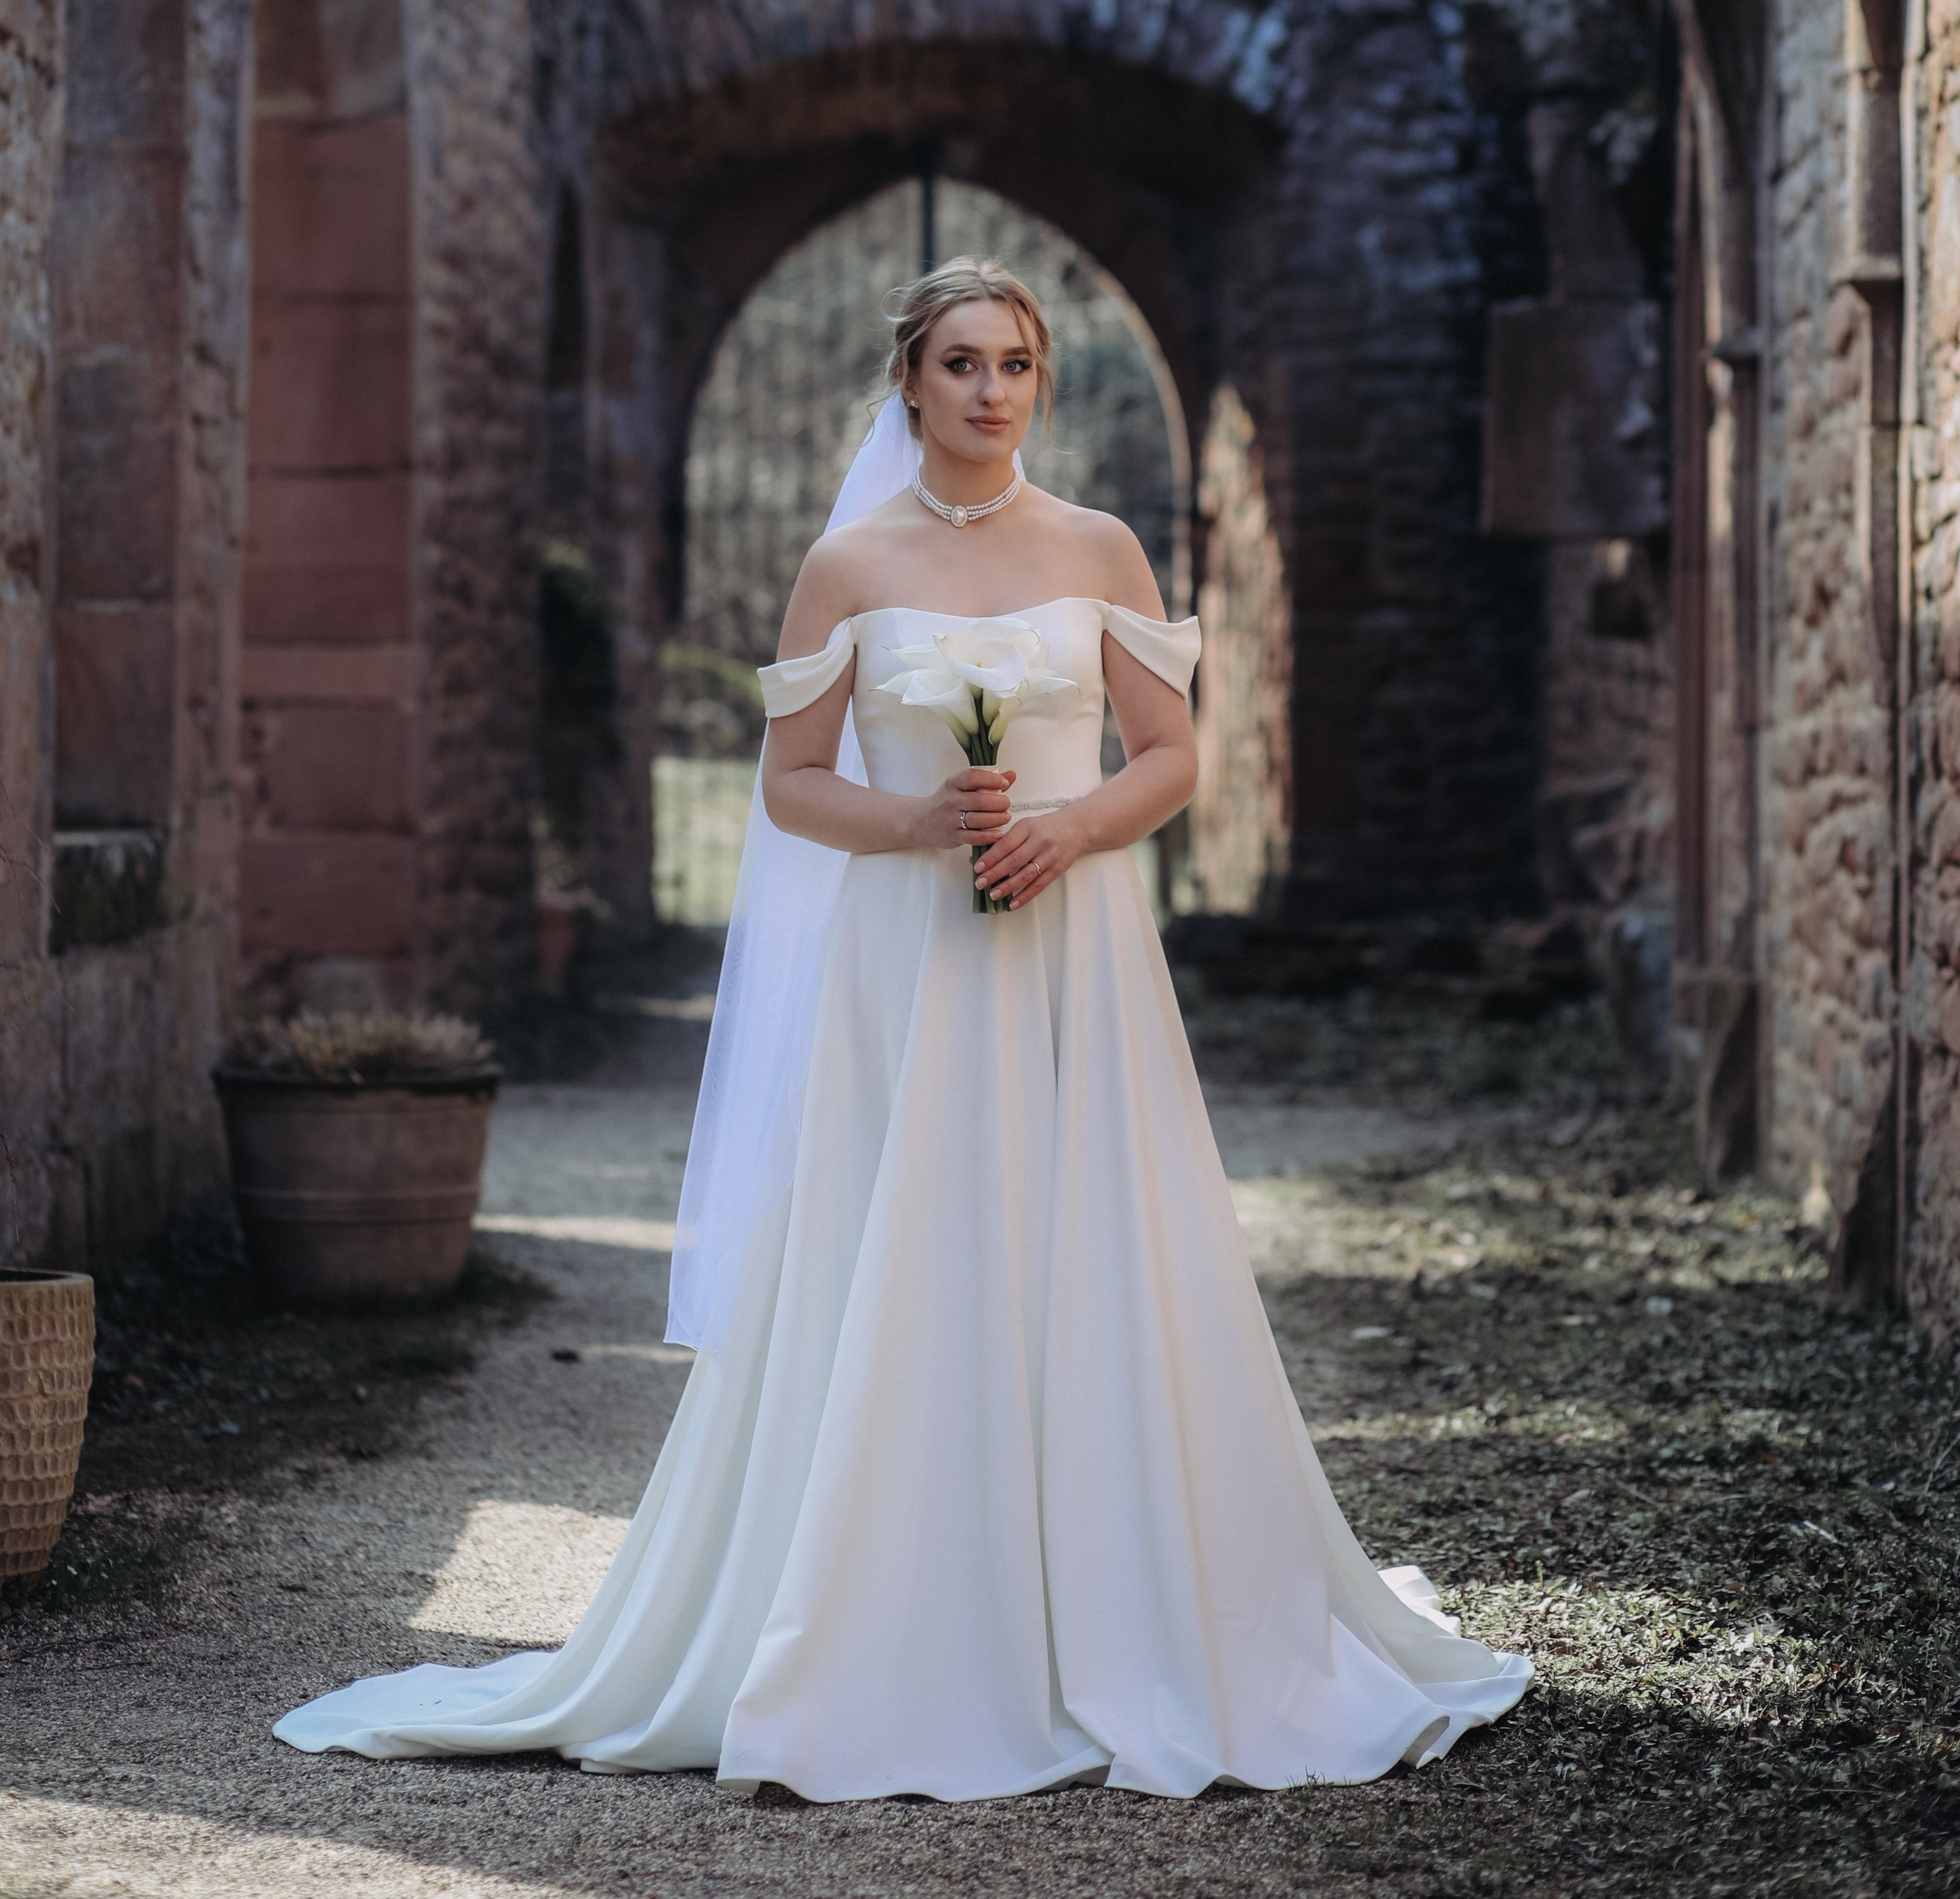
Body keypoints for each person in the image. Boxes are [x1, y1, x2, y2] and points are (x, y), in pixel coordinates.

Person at [274, 256, 1530, 1799]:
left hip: (1076, 955)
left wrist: (1064, 835)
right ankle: (891, 1609)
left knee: (1090, 1242)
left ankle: (1117, 1611)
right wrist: (919, 819)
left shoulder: (1102, 546)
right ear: (908, 383)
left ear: (1039, 385)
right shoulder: (848, 567)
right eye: (958, 363)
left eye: (1013, 364)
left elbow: (1170, 754)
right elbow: (787, 780)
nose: (988, 389)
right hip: (903, 961)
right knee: (902, 1243)